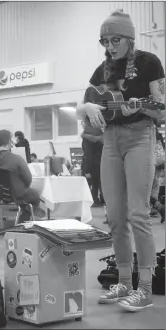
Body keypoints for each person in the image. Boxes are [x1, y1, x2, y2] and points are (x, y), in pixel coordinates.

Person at [76, 10, 165, 312]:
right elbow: (83, 106)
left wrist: (139, 108)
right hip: (111, 142)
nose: (110, 46)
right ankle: (124, 282)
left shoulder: (148, 62)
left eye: (115, 39)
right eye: (105, 40)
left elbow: (162, 109)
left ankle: (146, 288)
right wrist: (87, 106)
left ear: (129, 38)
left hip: (140, 137)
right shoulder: (104, 69)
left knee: (138, 214)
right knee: (114, 217)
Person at [0, 130, 45, 223]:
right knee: (35, 196)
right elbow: (28, 180)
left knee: (25, 197)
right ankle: (23, 223)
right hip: (16, 196)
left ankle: (19, 219)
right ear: (9, 142)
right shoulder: (17, 159)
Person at [81, 121, 105, 206]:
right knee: (99, 183)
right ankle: (102, 200)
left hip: (92, 164)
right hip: (101, 162)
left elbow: (88, 154)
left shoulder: (87, 136)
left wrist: (87, 170)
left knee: (92, 184)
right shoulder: (100, 134)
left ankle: (94, 200)